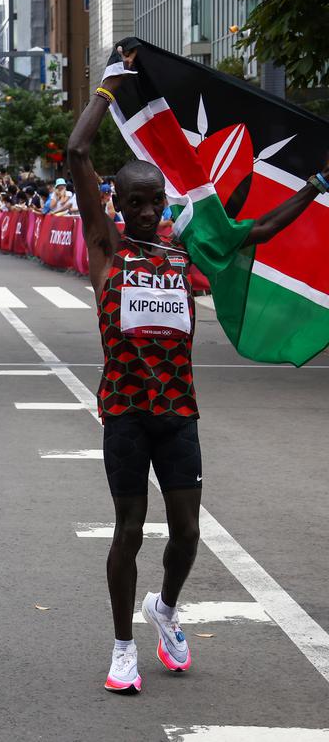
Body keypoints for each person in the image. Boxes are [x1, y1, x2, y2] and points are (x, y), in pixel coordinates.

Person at [68, 44, 329, 696]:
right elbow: (76, 157)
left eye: (156, 197)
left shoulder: (188, 249)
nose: (150, 207)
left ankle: (166, 608)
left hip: (179, 414)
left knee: (186, 532)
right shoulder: (108, 250)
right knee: (128, 531)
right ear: (119, 203)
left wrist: (317, 186)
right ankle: (124, 645)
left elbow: (261, 227)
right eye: (137, 199)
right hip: (126, 415)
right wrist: (107, 90)